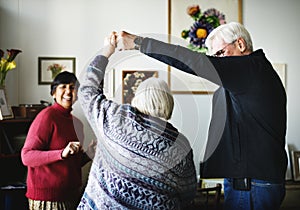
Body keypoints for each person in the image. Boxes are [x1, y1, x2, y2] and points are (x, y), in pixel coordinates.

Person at [117, 22, 287, 210]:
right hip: (250, 181)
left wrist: (139, 43)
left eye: (221, 54)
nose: (217, 62)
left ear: (240, 44)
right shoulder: (251, 75)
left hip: (251, 185)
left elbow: (195, 62)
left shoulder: (251, 68)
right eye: (214, 57)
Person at [77, 32, 197, 209]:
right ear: (168, 104)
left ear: (137, 99)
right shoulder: (181, 145)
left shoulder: (114, 118)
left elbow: (87, 90)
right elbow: (188, 195)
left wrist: (106, 52)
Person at [21, 71, 95, 210]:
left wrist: (88, 154)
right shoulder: (47, 117)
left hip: (71, 196)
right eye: (63, 87)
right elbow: (27, 156)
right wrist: (61, 153)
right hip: (48, 199)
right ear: (53, 93)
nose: (68, 91)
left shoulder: (77, 124)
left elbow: (72, 164)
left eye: (73, 87)